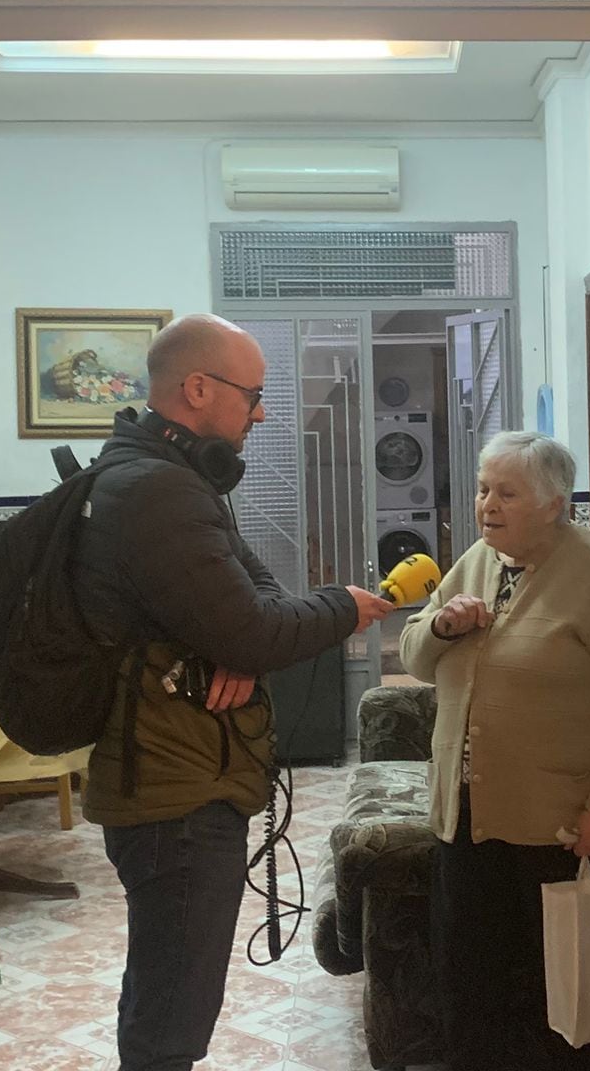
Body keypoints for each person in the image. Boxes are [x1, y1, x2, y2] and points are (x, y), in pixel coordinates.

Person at [72, 312, 396, 1071]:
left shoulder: (169, 478)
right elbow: (255, 625)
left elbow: (259, 602)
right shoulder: (157, 492)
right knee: (172, 1014)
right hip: (173, 791)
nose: (262, 411)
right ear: (196, 388)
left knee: (166, 992)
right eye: (252, 393)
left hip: (179, 774)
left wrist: (245, 638)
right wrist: (345, 606)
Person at [402, 431, 590, 1070]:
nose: (487, 504)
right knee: (469, 986)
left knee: (550, 997)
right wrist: (439, 625)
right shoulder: (478, 560)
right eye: (483, 489)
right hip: (463, 817)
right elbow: (413, 656)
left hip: (553, 824)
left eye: (506, 493)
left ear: (552, 503)